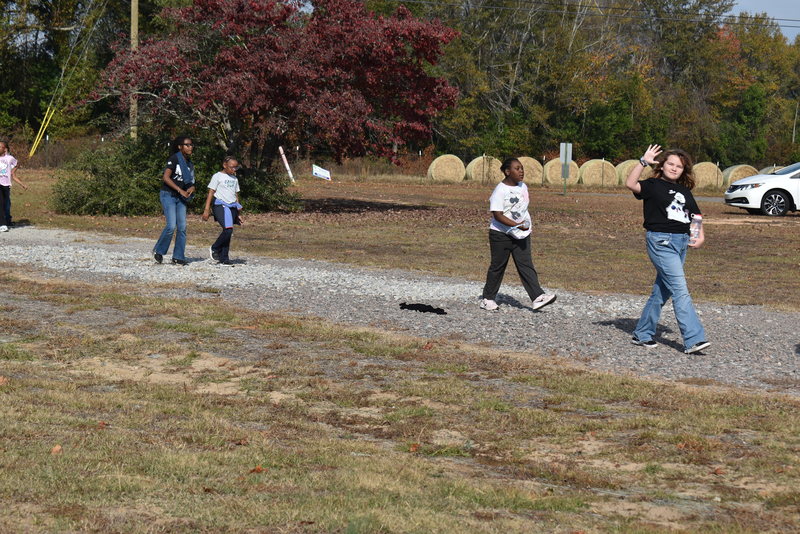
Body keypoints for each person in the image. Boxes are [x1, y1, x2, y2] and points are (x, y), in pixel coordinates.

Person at [626, 144, 710, 354]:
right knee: (680, 290)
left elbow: (695, 216)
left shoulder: (685, 191)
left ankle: (642, 333)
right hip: (661, 242)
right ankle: (694, 339)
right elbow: (630, 183)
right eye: (670, 164)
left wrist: (699, 236)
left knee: (661, 291)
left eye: (679, 166)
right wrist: (643, 162)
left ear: (683, 170)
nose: (674, 168)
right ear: (662, 166)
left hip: (681, 243)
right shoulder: (653, 185)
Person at [480, 157, 556, 312]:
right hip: (500, 234)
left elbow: (522, 208)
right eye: (517, 168)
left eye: (522, 168)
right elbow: (497, 215)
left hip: (521, 233)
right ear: (507, 172)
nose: (521, 171)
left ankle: (537, 297)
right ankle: (487, 299)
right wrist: (516, 225)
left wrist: (525, 224)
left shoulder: (523, 187)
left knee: (526, 264)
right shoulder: (500, 190)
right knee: (498, 266)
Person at [153, 136, 196, 265]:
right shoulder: (174, 159)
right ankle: (159, 251)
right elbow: (166, 178)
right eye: (187, 145)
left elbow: (190, 182)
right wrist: (179, 190)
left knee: (182, 227)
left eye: (191, 144)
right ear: (180, 147)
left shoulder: (189, 164)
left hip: (181, 198)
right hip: (169, 195)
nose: (190, 147)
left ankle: (178, 256)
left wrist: (191, 188)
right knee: (171, 226)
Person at [202, 156, 243, 265]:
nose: (234, 169)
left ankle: (224, 258)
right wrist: (206, 209)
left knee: (228, 232)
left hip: (232, 206)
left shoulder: (234, 179)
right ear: (224, 165)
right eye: (231, 167)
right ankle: (215, 248)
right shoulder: (217, 176)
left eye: (236, 167)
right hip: (221, 205)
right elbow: (211, 192)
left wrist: (238, 213)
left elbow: (236, 194)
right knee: (228, 229)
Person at [0, 140, 28, 232]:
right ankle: (2, 224)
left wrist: (22, 183)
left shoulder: (9, 158)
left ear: (5, 149)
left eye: (0, 147)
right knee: (1, 203)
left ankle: (7, 220)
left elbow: (16, 164)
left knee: (6, 203)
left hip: (6, 184)